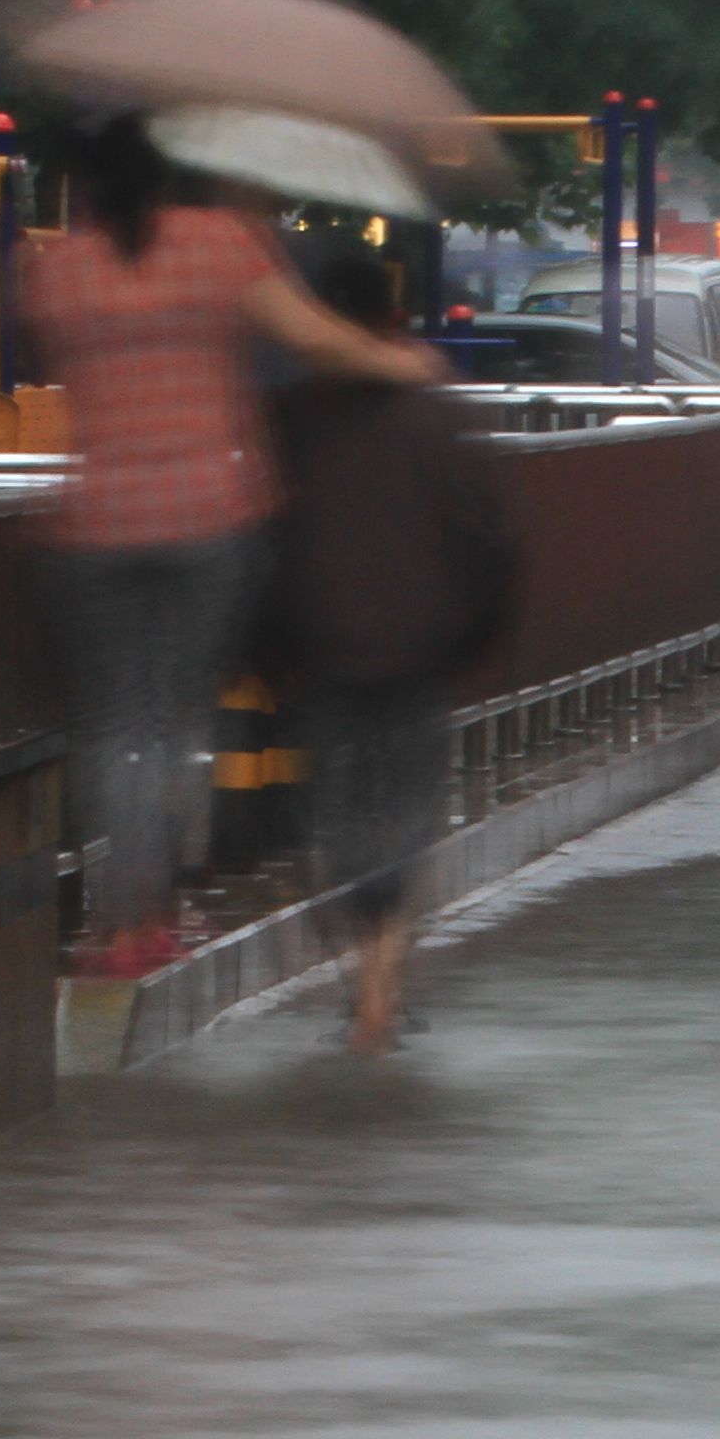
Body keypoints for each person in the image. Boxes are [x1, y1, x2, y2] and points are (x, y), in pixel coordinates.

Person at [20, 114, 442, 980]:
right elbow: (313, 339)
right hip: (211, 516)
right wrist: (403, 365)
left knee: (110, 726)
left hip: (92, 521)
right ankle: (159, 913)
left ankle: (114, 923)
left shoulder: (52, 267)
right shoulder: (221, 244)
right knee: (176, 724)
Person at [261, 252, 515, 1053]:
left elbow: (264, 530)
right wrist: (483, 630)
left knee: (336, 817)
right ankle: (384, 989)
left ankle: (362, 986)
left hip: (321, 641)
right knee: (405, 815)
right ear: (395, 313)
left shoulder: (291, 413)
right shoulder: (435, 408)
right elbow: (488, 531)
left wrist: (263, 642)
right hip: (421, 642)